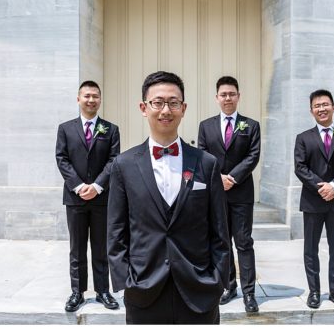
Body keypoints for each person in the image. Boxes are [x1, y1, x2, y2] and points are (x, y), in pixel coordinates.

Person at [107, 71, 231, 324]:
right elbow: (116, 230)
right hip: (144, 288)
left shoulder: (206, 163)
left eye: (173, 103)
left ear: (183, 108)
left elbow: (220, 229)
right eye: (158, 102)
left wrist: (218, 280)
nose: (166, 110)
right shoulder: (124, 165)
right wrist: (126, 281)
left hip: (199, 290)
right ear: (144, 107)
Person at [55, 80, 121, 312]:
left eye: (95, 96)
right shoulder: (65, 128)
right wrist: (79, 185)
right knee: (77, 247)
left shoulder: (111, 129)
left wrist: (97, 186)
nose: (91, 100)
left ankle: (103, 291)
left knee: (101, 246)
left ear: (100, 99)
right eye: (87, 96)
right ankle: (77, 292)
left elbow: (114, 160)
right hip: (75, 198)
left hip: (102, 198)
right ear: (78, 99)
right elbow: (61, 158)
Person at [198, 76, 262, 313]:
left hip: (242, 193)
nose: (227, 98)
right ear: (217, 98)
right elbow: (203, 155)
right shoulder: (206, 126)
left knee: (244, 243)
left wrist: (232, 177)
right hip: (216, 193)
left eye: (231, 94)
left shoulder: (251, 125)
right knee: (221, 242)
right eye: (223, 94)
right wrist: (219, 179)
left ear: (238, 96)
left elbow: (252, 156)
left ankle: (249, 293)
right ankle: (229, 286)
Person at [293, 89, 334, 310]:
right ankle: (314, 292)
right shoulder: (303, 138)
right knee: (310, 249)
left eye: (325, 104)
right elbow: (300, 168)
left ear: (333, 107)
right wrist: (321, 187)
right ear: (311, 110)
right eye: (317, 106)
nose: (321, 109)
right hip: (313, 200)